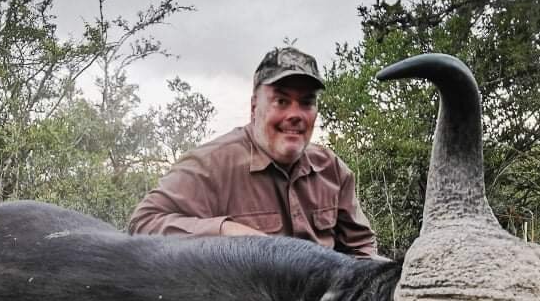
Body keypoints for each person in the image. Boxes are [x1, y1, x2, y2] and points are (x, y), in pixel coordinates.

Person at [128, 46, 378, 258]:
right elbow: (143, 224)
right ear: (254, 107)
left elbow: (362, 251)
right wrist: (227, 232)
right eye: (281, 101)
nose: (295, 114)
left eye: (306, 102)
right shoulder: (210, 164)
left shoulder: (331, 169)